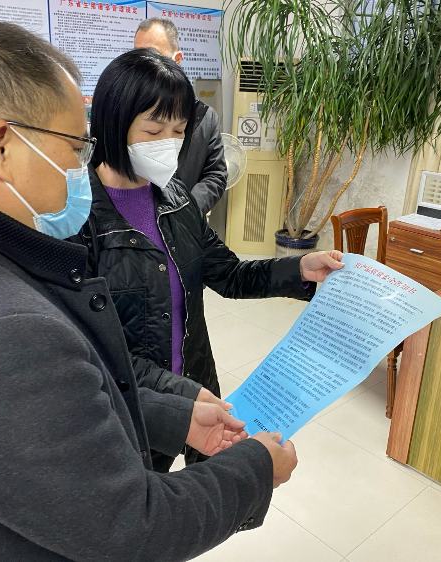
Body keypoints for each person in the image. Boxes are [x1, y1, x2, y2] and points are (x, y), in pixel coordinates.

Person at [0, 22, 298, 562]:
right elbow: (131, 529)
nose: (79, 167)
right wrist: (257, 469)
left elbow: (62, 409)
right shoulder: (6, 330)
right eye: (73, 148)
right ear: (1, 147)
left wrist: (176, 415)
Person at [80, 48, 344, 472]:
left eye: (179, 131)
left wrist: (298, 269)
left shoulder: (176, 199)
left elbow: (230, 275)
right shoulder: (79, 219)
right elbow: (91, 350)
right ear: (113, 123)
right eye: (153, 130)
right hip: (135, 409)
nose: (168, 144)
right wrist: (179, 396)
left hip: (196, 389)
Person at [135, 17, 226, 214]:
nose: (143, 65)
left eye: (152, 55)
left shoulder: (204, 117)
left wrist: (187, 210)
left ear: (177, 59)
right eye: (137, 56)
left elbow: (215, 174)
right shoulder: (124, 111)